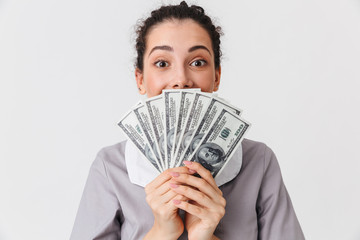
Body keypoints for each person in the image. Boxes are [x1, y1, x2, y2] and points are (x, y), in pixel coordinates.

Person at [70, 1, 305, 239]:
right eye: (162, 63)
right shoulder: (111, 166)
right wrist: (161, 232)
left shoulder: (259, 162)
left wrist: (205, 237)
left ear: (216, 76)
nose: (181, 79)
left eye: (197, 62)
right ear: (140, 79)